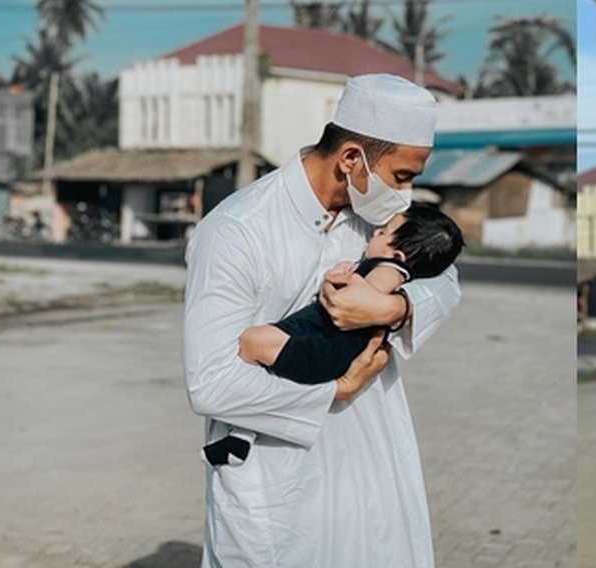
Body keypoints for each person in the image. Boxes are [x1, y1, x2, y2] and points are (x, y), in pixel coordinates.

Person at [182, 74, 461, 567]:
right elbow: (210, 383)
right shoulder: (237, 232)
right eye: (401, 176)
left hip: (370, 458)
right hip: (277, 469)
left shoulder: (378, 219)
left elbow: (446, 274)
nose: (407, 193)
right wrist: (337, 390)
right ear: (352, 158)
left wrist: (395, 307)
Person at [200, 203, 464, 467]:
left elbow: (355, 300)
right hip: (321, 339)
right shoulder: (388, 267)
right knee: (269, 368)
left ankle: (242, 429)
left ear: (397, 255)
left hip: (322, 345)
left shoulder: (388, 271)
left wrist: (333, 278)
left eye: (383, 232)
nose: (375, 233)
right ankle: (242, 436)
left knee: (251, 343)